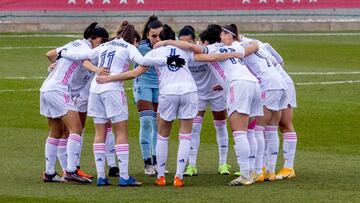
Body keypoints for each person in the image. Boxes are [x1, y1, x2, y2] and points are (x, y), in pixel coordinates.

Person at [96, 24, 244, 187]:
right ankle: (179, 177)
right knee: (185, 135)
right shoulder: (186, 50)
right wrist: (236, 54)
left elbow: (134, 73)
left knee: (162, 135)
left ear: (160, 39)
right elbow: (210, 57)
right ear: (174, 38)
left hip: (168, 93)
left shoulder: (154, 52)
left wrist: (108, 78)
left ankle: (160, 176)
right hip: (189, 91)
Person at [58, 22, 186, 186]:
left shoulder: (105, 45)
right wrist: (168, 59)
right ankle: (124, 176)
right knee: (120, 132)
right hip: (113, 90)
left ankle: (102, 177)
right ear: (134, 39)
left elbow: (83, 57)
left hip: (96, 89)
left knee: (100, 133)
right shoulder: (128, 47)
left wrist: (62, 52)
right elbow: (142, 60)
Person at [41, 22, 109, 183]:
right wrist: (97, 70)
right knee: (76, 129)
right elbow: (84, 61)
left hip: (47, 89)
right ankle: (71, 171)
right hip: (59, 90)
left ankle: (49, 173)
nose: (103, 45)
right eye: (102, 41)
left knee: (56, 132)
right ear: (93, 38)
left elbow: (50, 54)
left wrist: (57, 62)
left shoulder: (75, 44)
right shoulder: (85, 49)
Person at [222, 24, 288, 181]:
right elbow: (279, 61)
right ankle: (270, 171)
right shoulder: (255, 42)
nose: (221, 38)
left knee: (257, 129)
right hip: (280, 83)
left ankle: (257, 171)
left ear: (231, 36)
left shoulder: (236, 47)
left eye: (223, 35)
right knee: (271, 128)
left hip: (267, 85)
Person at [177, 25, 231, 176]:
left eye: (188, 43)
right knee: (194, 129)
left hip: (216, 94)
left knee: (220, 126)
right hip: (197, 94)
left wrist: (223, 83)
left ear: (196, 41)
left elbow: (226, 61)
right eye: (182, 43)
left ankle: (223, 164)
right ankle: (191, 166)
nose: (185, 47)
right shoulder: (182, 55)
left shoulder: (205, 50)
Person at [262, 43, 298, 180]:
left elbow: (280, 62)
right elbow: (280, 60)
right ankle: (264, 166)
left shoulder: (257, 45)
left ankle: (288, 167)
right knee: (265, 125)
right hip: (267, 84)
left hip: (282, 83)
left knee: (284, 124)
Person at [134, 15, 163, 176]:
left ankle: (157, 160)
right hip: (143, 85)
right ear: (147, 35)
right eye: (154, 36)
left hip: (160, 87)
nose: (157, 39)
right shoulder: (140, 47)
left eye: (160, 35)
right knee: (146, 122)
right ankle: (147, 163)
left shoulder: (167, 45)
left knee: (157, 125)